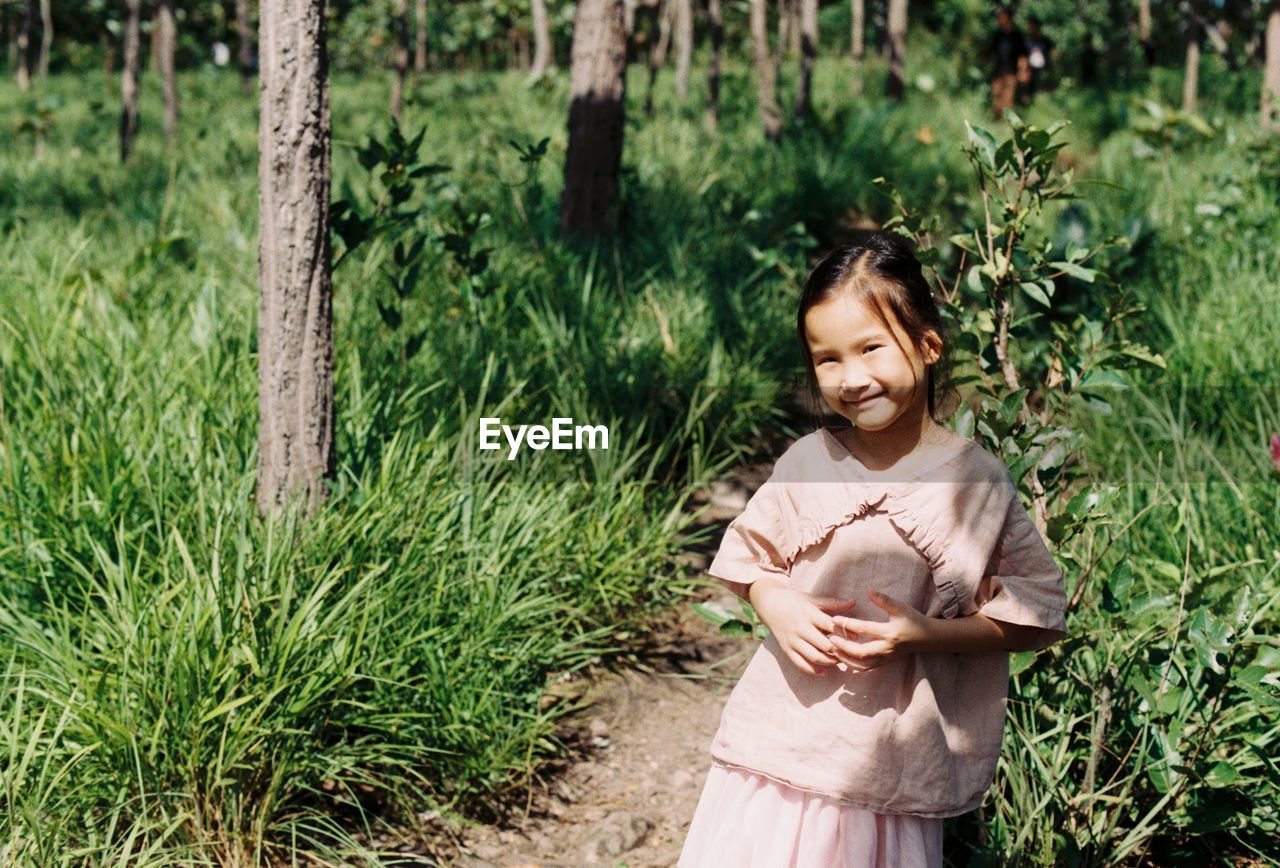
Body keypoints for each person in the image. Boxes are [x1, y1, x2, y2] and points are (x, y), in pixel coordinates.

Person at [677, 232, 1069, 867]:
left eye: (870, 348)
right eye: (827, 358)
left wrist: (924, 634)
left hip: (885, 773)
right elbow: (747, 559)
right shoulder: (810, 461)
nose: (850, 378)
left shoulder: (976, 483)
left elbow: (1038, 613)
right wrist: (775, 602)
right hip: (780, 752)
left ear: (928, 344)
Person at [987, 6, 1029, 119]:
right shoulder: (998, 35)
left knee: (1007, 100)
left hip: (1011, 72)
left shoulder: (1017, 35)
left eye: (1002, 17)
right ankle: (997, 121)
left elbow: (1023, 56)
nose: (1000, 19)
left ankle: (1007, 123)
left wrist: (1022, 71)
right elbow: (991, 53)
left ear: (1009, 18)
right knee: (996, 97)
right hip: (998, 71)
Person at [1021, 16, 1055, 104]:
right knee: (1027, 94)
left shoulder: (1045, 41)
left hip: (1043, 71)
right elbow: (1022, 57)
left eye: (1033, 26)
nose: (1031, 29)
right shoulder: (1025, 41)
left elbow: (1052, 54)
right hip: (1029, 70)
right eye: (1030, 27)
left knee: (1044, 92)